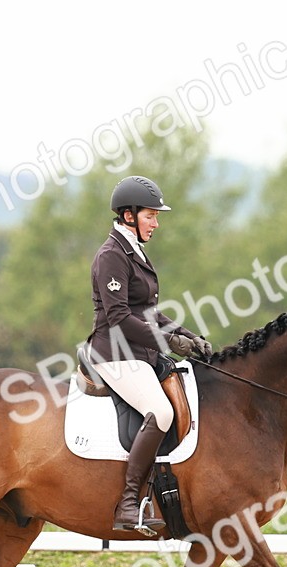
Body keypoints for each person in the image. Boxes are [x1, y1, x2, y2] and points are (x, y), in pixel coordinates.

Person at [85, 175, 212, 535]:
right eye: (151, 216)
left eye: (156, 217)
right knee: (161, 411)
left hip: (138, 352)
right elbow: (120, 317)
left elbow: (149, 311)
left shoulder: (133, 251)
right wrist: (167, 341)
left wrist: (185, 334)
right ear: (129, 215)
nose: (156, 224)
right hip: (114, 354)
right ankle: (127, 503)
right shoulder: (112, 255)